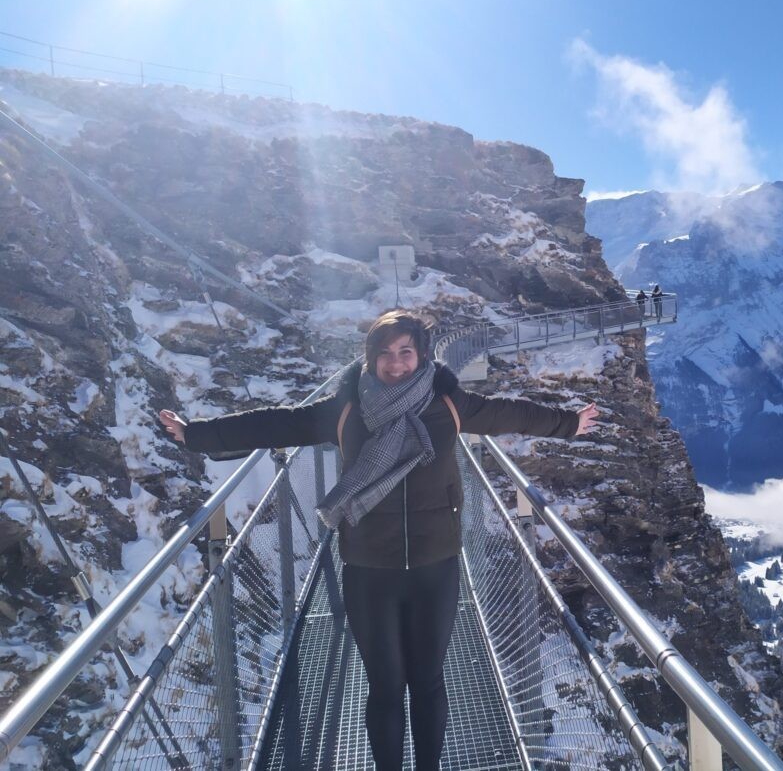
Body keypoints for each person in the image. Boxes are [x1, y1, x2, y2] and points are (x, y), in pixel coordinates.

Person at [158, 309, 600, 771]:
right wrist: (198, 434)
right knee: (386, 686)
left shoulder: (448, 403)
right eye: (385, 354)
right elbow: (278, 423)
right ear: (370, 360)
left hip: (436, 566)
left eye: (405, 352)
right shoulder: (348, 410)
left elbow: (510, 414)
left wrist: (567, 423)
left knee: (428, 682)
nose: (395, 364)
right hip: (370, 571)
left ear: (422, 355)